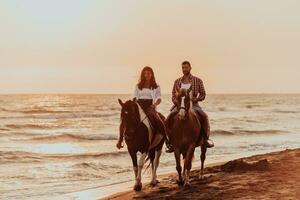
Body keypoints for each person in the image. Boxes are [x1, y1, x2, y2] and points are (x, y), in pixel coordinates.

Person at [165, 61, 214, 153]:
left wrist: (197, 99)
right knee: (168, 118)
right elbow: (173, 95)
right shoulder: (177, 81)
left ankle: (205, 139)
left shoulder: (197, 80)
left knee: (204, 116)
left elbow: (203, 94)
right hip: (180, 105)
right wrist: (176, 102)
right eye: (183, 68)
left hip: (194, 105)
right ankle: (170, 142)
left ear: (190, 68)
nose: (184, 69)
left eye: (186, 67)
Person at [116, 66, 170, 149]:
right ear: (143, 75)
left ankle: (167, 141)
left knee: (159, 120)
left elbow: (159, 98)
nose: (146, 75)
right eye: (145, 73)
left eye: (148, 73)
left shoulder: (156, 86)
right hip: (139, 106)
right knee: (125, 120)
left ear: (151, 74)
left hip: (150, 106)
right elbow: (135, 97)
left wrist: (154, 105)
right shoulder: (138, 86)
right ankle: (120, 141)